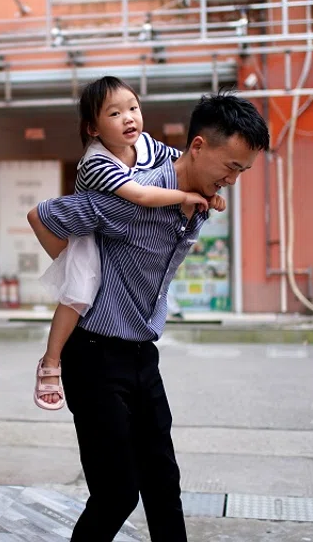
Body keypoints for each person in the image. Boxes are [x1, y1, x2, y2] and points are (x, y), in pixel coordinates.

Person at [27, 91, 269, 542]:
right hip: (94, 355)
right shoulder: (129, 197)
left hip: (142, 355)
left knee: (162, 482)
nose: (233, 181)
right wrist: (80, 272)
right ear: (198, 147)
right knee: (117, 492)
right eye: (231, 167)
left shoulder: (195, 191)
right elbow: (44, 215)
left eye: (242, 171)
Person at [34, 76, 225, 411]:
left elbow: (182, 163)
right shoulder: (95, 162)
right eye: (114, 113)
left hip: (122, 240)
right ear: (93, 128)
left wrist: (210, 191)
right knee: (77, 296)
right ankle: (50, 364)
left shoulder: (148, 145)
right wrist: (186, 195)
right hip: (89, 238)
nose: (129, 118)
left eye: (133, 108)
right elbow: (139, 195)